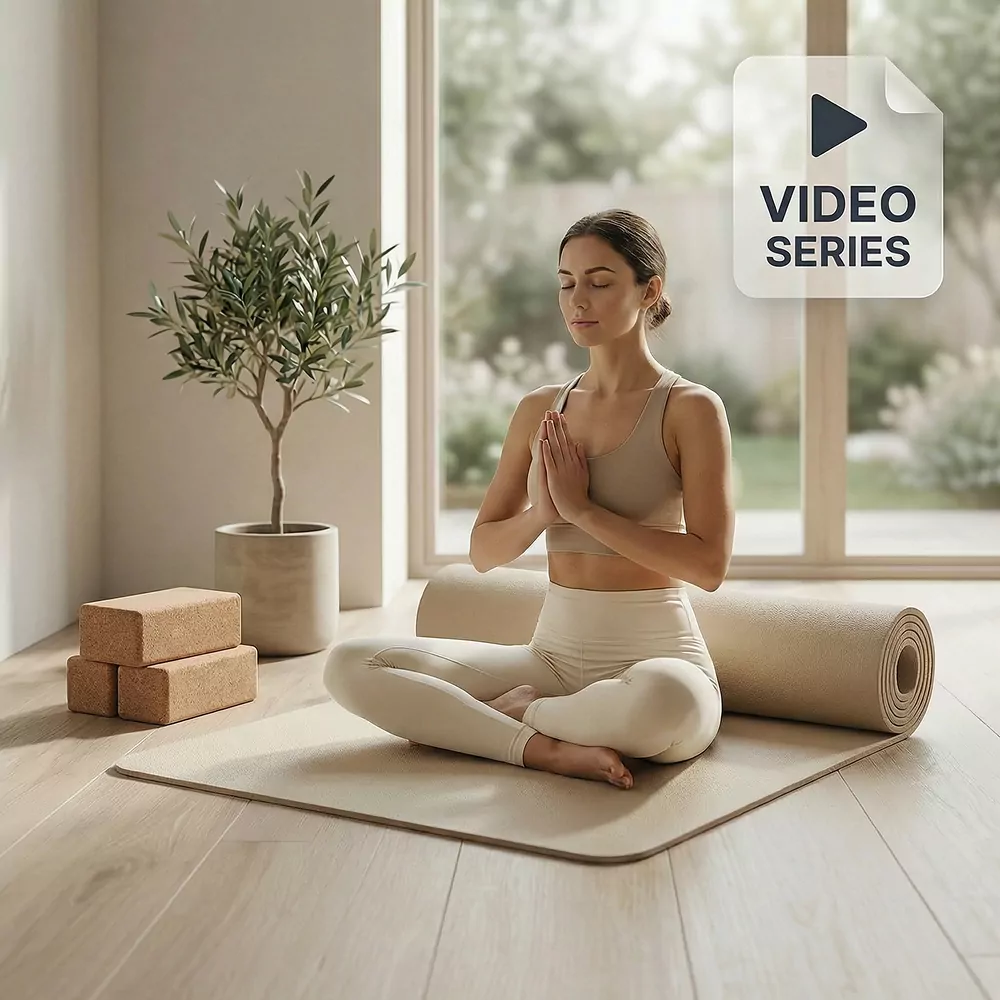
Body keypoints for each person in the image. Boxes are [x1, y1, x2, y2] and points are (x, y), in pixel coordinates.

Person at [324, 208, 735, 790]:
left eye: (599, 282)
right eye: (566, 283)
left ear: (651, 290)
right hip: (552, 659)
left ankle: (522, 718)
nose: (577, 301)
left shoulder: (691, 408)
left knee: (670, 704)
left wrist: (585, 512)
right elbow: (484, 552)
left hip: (656, 656)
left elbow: (708, 565)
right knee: (351, 665)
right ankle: (543, 748)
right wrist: (544, 513)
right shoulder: (539, 409)